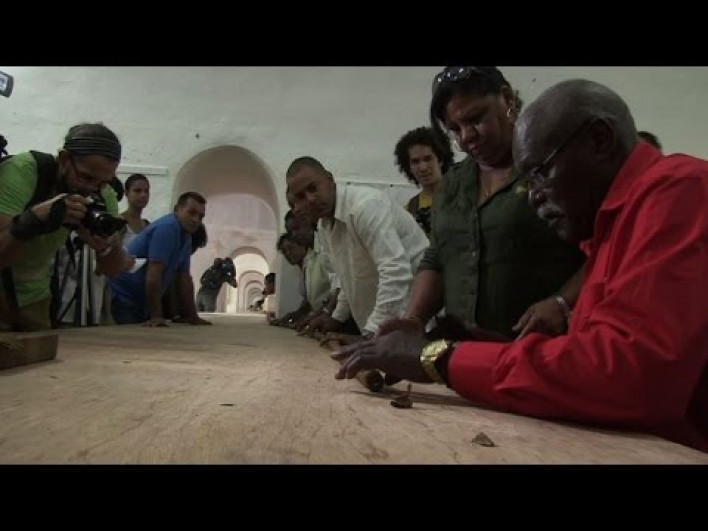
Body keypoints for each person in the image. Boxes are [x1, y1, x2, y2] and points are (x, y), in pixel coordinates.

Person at [333, 79, 708, 453]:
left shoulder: (679, 191)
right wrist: (467, 347)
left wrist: (439, 358)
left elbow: (627, 376)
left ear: (599, 140)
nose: (534, 197)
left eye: (541, 173)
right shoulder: (609, 226)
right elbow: (592, 355)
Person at [380, 66, 585, 342]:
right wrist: (414, 319)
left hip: (541, 350)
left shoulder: (553, 167)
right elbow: (439, 257)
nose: (466, 137)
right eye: (454, 129)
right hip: (465, 355)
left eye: (475, 119)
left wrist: (562, 302)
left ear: (507, 99)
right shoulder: (452, 185)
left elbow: (608, 250)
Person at [0, 122, 134, 331]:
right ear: (64, 159)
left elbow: (110, 269)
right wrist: (33, 220)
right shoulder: (23, 172)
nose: (90, 189)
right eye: (86, 177)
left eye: (102, 182)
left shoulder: (102, 194)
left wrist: (107, 246)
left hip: (34, 300)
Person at [286, 156, 429, 343]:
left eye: (313, 188)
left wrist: (371, 334)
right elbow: (347, 279)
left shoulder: (366, 207)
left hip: (417, 324)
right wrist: (336, 318)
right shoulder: (324, 226)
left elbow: (395, 271)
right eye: (301, 197)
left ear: (329, 179)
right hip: (383, 332)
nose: (310, 199)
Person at [108, 192, 210, 327]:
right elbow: (153, 275)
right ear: (177, 209)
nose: (196, 219)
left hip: (139, 301)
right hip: (123, 296)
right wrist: (156, 316)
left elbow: (185, 278)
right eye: (191, 213)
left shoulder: (186, 236)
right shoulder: (167, 228)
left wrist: (193, 316)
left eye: (200, 216)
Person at [393, 126, 454, 236]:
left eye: (428, 159)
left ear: (440, 160)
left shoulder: (462, 194)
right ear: (409, 168)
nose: (423, 167)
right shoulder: (409, 211)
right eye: (415, 162)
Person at [120, 173, 151, 247]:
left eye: (146, 191)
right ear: (127, 193)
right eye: (137, 191)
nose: (143, 195)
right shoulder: (119, 223)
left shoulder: (148, 226)